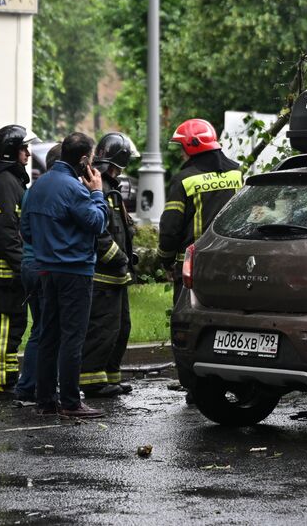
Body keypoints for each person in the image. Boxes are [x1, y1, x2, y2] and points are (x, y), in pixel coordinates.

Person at [22, 132, 110, 419]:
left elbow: (26, 230)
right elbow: (97, 223)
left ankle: (46, 400)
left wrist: (49, 246)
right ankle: (71, 402)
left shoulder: (39, 185)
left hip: (46, 270)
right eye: (92, 157)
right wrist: (97, 192)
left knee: (49, 335)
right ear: (84, 160)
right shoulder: (75, 189)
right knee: (73, 337)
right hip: (75, 271)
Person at [158, 119, 244, 305]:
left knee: (189, 315)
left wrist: (165, 260)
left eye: (182, 147)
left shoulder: (184, 180)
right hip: (232, 261)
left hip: (194, 264)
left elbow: (170, 228)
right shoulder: (237, 174)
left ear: (192, 146)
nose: (181, 154)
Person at [79, 132, 138, 398]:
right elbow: (98, 233)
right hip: (103, 276)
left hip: (117, 276)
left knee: (120, 328)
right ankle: (92, 381)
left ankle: (111, 377)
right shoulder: (99, 188)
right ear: (120, 160)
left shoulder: (109, 187)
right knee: (102, 329)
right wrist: (119, 257)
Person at [0, 124, 35, 400]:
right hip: (5, 273)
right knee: (5, 328)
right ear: (11, 151)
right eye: (24, 148)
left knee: (14, 327)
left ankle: (8, 380)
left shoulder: (11, 181)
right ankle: (4, 383)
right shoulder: (3, 182)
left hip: (12, 271)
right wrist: (21, 264)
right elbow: (5, 229)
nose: (28, 153)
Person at [13, 141, 62, 406]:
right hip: (44, 266)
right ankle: (34, 386)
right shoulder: (58, 189)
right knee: (47, 329)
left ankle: (30, 385)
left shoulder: (33, 190)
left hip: (29, 264)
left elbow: (24, 230)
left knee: (39, 327)